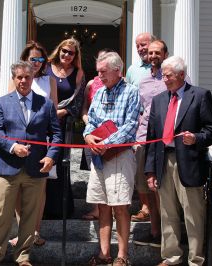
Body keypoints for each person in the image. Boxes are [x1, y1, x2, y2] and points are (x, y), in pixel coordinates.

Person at [0, 61, 62, 266]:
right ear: (13, 78)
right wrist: (12, 147)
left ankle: (23, 256)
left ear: (32, 78)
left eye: (27, 77)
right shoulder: (2, 103)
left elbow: (56, 134)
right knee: (1, 214)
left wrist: (51, 156)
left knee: (30, 215)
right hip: (8, 167)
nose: (23, 81)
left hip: (36, 168)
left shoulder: (45, 104)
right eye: (19, 77)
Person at [145, 56, 212, 266]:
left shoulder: (200, 95)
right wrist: (150, 171)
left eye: (168, 76)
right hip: (163, 161)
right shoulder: (158, 100)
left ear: (182, 75)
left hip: (190, 162)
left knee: (193, 214)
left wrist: (196, 138)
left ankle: (196, 260)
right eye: (163, 75)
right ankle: (171, 257)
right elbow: (151, 138)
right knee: (168, 213)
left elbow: (211, 132)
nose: (164, 79)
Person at [84, 52, 141, 266]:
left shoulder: (132, 92)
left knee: (120, 207)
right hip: (99, 157)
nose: (99, 76)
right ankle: (104, 253)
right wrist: (89, 136)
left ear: (118, 71)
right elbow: (91, 120)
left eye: (103, 72)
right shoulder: (98, 93)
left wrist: (107, 143)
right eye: (98, 72)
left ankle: (122, 255)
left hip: (120, 155)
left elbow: (130, 125)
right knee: (103, 206)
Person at [7, 41, 58, 247]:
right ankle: (22, 231)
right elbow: (9, 106)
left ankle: (35, 231)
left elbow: (53, 108)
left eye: (39, 59)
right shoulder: (17, 79)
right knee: (19, 189)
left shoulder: (49, 81)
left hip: (41, 140)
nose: (36, 63)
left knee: (39, 189)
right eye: (32, 59)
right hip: (18, 141)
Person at [131, 40, 169, 248]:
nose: (153, 55)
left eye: (157, 52)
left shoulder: (175, 77)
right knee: (149, 187)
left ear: (165, 54)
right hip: (145, 139)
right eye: (150, 52)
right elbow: (140, 111)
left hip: (166, 142)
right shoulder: (144, 81)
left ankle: (168, 236)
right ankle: (155, 232)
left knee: (164, 191)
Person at [44, 38, 85, 219]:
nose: (67, 55)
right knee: (44, 164)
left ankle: (60, 209)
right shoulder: (45, 68)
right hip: (42, 124)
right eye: (64, 51)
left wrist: (59, 112)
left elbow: (78, 101)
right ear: (58, 50)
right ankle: (42, 209)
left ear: (76, 56)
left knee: (60, 166)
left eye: (71, 52)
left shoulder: (78, 73)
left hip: (62, 124)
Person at [125, 32, 157, 223]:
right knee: (140, 169)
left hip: (161, 129)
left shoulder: (165, 67)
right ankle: (145, 207)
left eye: (143, 44)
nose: (140, 49)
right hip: (140, 128)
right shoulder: (133, 69)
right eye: (137, 45)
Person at [80, 48, 114, 221]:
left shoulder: (121, 83)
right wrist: (90, 126)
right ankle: (96, 208)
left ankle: (113, 208)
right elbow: (85, 109)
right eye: (99, 58)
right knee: (95, 171)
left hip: (114, 136)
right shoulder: (90, 84)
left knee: (112, 172)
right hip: (94, 134)